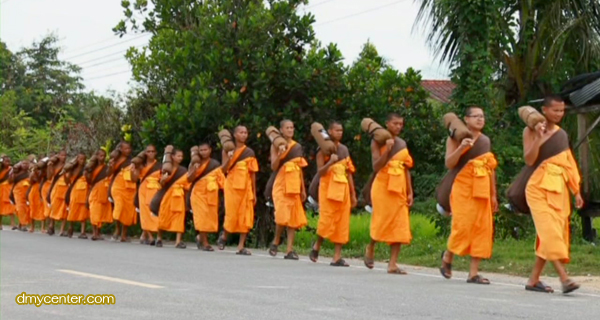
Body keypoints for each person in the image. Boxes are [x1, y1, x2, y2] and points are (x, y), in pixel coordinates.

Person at [512, 95, 583, 294]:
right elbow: (529, 159)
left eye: (562, 111)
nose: (559, 114)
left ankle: (534, 280)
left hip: (559, 189)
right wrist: (539, 138)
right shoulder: (530, 131)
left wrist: (575, 190)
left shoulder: (561, 134)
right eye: (555, 110)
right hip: (537, 187)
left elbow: (568, 162)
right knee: (549, 232)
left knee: (553, 233)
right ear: (544, 110)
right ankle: (564, 278)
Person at [438, 107, 498, 284]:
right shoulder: (455, 138)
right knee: (462, 226)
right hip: (462, 187)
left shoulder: (485, 141)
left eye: (482, 116)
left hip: (482, 188)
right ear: (466, 119)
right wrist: (461, 149)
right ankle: (448, 255)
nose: (480, 119)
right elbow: (449, 163)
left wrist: (493, 194)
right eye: (476, 116)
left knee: (481, 228)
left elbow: (490, 168)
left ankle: (473, 273)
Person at [363, 113, 414, 274]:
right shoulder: (377, 142)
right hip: (383, 186)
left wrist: (410, 191)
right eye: (395, 123)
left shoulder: (402, 144)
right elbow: (376, 166)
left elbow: (406, 170)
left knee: (400, 224)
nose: (398, 127)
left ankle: (392, 264)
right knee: (381, 220)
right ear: (387, 124)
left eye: (401, 124)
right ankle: (371, 246)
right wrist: (388, 150)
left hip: (399, 187)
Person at [309, 121, 357, 266]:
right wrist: (330, 162)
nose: (339, 133)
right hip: (328, 189)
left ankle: (337, 257)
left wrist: (353, 194)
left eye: (341, 130)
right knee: (326, 221)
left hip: (343, 190)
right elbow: (320, 172)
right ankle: (317, 246)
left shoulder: (344, 150)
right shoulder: (323, 150)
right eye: (336, 130)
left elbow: (349, 174)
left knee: (342, 223)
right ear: (329, 131)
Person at [267, 120, 308, 260]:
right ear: (281, 130)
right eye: (287, 128)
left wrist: (303, 188)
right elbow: (273, 166)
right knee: (282, 216)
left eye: (292, 127)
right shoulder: (276, 145)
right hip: (281, 184)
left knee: (293, 219)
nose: (290, 130)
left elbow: (300, 168)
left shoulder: (297, 147)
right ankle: (276, 240)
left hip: (294, 185)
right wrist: (280, 154)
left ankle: (289, 250)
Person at [218, 126, 259, 255]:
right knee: (231, 213)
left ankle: (241, 246)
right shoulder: (227, 150)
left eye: (245, 132)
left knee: (246, 216)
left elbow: (252, 173)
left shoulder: (249, 152)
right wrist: (229, 158)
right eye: (241, 132)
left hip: (246, 187)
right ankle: (224, 236)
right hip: (232, 186)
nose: (243, 135)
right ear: (235, 135)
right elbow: (223, 170)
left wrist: (254, 191)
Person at [188, 143, 224, 251]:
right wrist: (194, 169)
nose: (203, 152)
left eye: (205, 150)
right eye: (201, 150)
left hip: (211, 194)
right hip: (198, 194)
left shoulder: (215, 164)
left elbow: (221, 179)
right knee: (201, 218)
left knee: (208, 218)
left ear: (210, 150)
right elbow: (189, 179)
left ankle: (200, 237)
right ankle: (205, 243)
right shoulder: (194, 163)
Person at [152, 149, 189, 248]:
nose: (180, 158)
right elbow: (161, 184)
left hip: (178, 197)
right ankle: (159, 238)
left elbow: (187, 185)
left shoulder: (183, 170)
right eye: (178, 156)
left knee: (179, 218)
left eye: (181, 156)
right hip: (166, 197)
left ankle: (178, 241)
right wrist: (163, 180)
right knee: (163, 216)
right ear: (172, 156)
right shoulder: (166, 169)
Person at [108, 142, 136, 242]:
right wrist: (111, 166)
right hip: (117, 187)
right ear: (120, 149)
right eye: (125, 149)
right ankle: (117, 229)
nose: (128, 151)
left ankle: (124, 234)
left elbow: (135, 176)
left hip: (129, 188)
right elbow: (109, 173)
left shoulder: (132, 161)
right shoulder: (115, 160)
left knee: (127, 210)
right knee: (119, 206)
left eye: (129, 149)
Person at [134, 145, 161, 245]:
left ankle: (145, 235)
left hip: (155, 189)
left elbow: (162, 179)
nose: (150, 154)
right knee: (145, 212)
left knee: (154, 212)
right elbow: (134, 178)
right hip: (144, 189)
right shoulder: (141, 165)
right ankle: (150, 236)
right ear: (145, 153)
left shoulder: (159, 165)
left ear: (155, 153)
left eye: (152, 151)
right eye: (148, 152)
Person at [86, 149, 112, 241]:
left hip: (103, 191)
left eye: (104, 155)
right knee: (94, 212)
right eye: (100, 155)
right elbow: (88, 180)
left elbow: (109, 176)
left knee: (101, 212)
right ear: (96, 156)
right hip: (94, 191)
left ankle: (98, 232)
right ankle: (94, 232)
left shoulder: (106, 167)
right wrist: (88, 172)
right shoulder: (91, 167)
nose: (102, 157)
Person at [65, 153, 89, 239]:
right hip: (74, 192)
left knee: (83, 212)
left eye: (83, 159)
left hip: (84, 191)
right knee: (73, 210)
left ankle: (83, 232)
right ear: (76, 159)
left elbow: (89, 180)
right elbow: (67, 181)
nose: (81, 161)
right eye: (80, 159)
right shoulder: (72, 169)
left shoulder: (86, 169)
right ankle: (71, 227)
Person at [47, 150, 69, 236]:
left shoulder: (67, 166)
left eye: (65, 155)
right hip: (55, 188)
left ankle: (62, 230)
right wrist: (49, 166)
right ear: (58, 156)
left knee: (64, 209)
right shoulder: (54, 165)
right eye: (62, 155)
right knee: (54, 207)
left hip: (65, 188)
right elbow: (49, 176)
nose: (64, 157)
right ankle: (51, 225)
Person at [9, 160, 32, 231]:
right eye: (23, 163)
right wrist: (13, 169)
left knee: (26, 208)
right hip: (18, 192)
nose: (25, 165)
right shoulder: (17, 173)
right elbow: (10, 180)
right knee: (20, 208)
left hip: (27, 193)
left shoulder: (29, 173)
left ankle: (20, 224)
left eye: (26, 164)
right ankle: (24, 225)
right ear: (20, 165)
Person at [28, 162, 46, 232]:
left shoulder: (44, 171)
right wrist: (33, 173)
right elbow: (31, 182)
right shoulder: (32, 173)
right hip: (34, 190)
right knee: (33, 207)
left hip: (42, 189)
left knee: (42, 207)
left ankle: (43, 228)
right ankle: (32, 227)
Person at [0, 155, 17, 230]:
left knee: (10, 205)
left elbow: (12, 180)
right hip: (1, 189)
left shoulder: (11, 169)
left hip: (8, 188)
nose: (8, 163)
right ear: (2, 162)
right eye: (6, 161)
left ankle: (13, 224)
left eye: (9, 162)